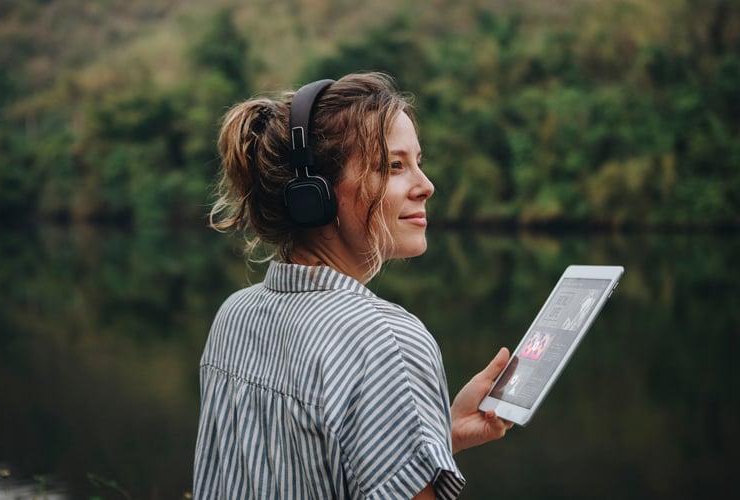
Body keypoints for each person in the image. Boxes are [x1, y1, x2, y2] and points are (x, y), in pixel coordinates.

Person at [194, 72, 514, 499]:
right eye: (394, 166)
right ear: (315, 194)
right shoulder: (386, 340)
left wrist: (437, 435)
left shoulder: (235, 315)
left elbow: (293, 469)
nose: (426, 186)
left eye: (419, 162)